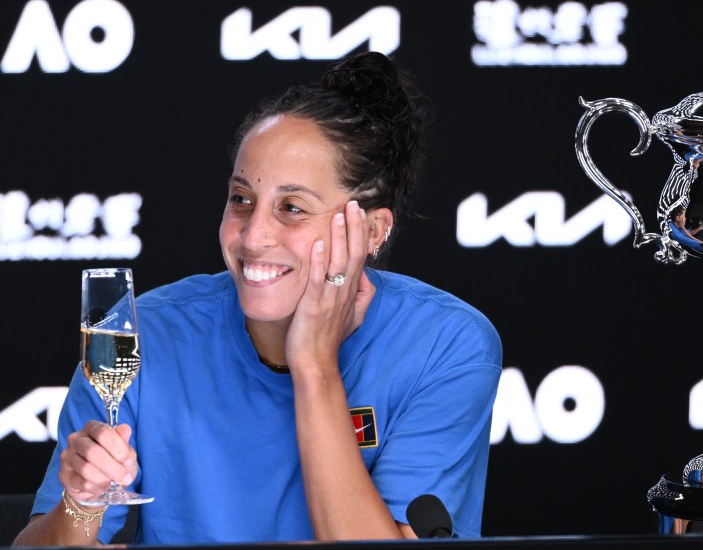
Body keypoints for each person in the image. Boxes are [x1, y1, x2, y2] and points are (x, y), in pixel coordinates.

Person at [13, 52, 503, 545]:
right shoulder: (139, 332)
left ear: (371, 229)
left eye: (292, 208)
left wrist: (315, 365)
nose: (253, 236)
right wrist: (83, 503)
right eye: (241, 199)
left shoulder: (448, 345)